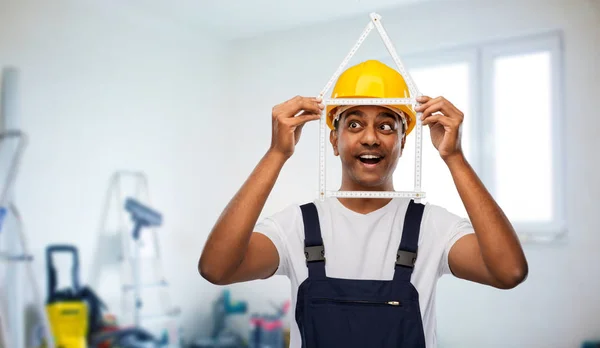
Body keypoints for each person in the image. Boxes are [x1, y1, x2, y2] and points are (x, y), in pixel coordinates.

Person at [198, 59, 528, 347]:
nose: (370, 137)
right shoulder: (296, 227)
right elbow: (216, 269)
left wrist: (454, 157)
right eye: (354, 124)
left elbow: (509, 272)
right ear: (334, 140)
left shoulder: (433, 228)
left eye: (386, 125)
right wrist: (276, 154)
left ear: (402, 142)